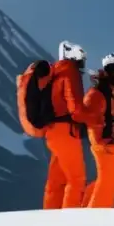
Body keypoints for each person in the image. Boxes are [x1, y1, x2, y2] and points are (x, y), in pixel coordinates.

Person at [43, 41, 100, 209]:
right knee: (76, 180)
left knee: (56, 181)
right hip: (66, 132)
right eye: (82, 59)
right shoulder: (70, 72)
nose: (83, 64)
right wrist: (95, 119)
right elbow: (75, 110)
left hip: (52, 131)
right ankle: (70, 224)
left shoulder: (55, 72)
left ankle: (49, 217)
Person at [81, 53, 114, 208]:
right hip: (104, 141)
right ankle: (96, 213)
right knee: (107, 180)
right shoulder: (101, 91)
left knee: (105, 177)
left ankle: (84, 206)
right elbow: (90, 115)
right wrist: (102, 134)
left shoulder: (110, 90)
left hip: (108, 139)